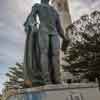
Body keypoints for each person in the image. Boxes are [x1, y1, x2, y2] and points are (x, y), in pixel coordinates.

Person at [24, 0, 69, 87]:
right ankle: (47, 80)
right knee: (44, 53)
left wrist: (64, 37)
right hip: (43, 31)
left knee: (56, 54)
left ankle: (57, 79)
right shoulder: (37, 6)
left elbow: (59, 27)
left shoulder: (54, 11)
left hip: (54, 32)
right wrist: (33, 25)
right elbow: (31, 17)